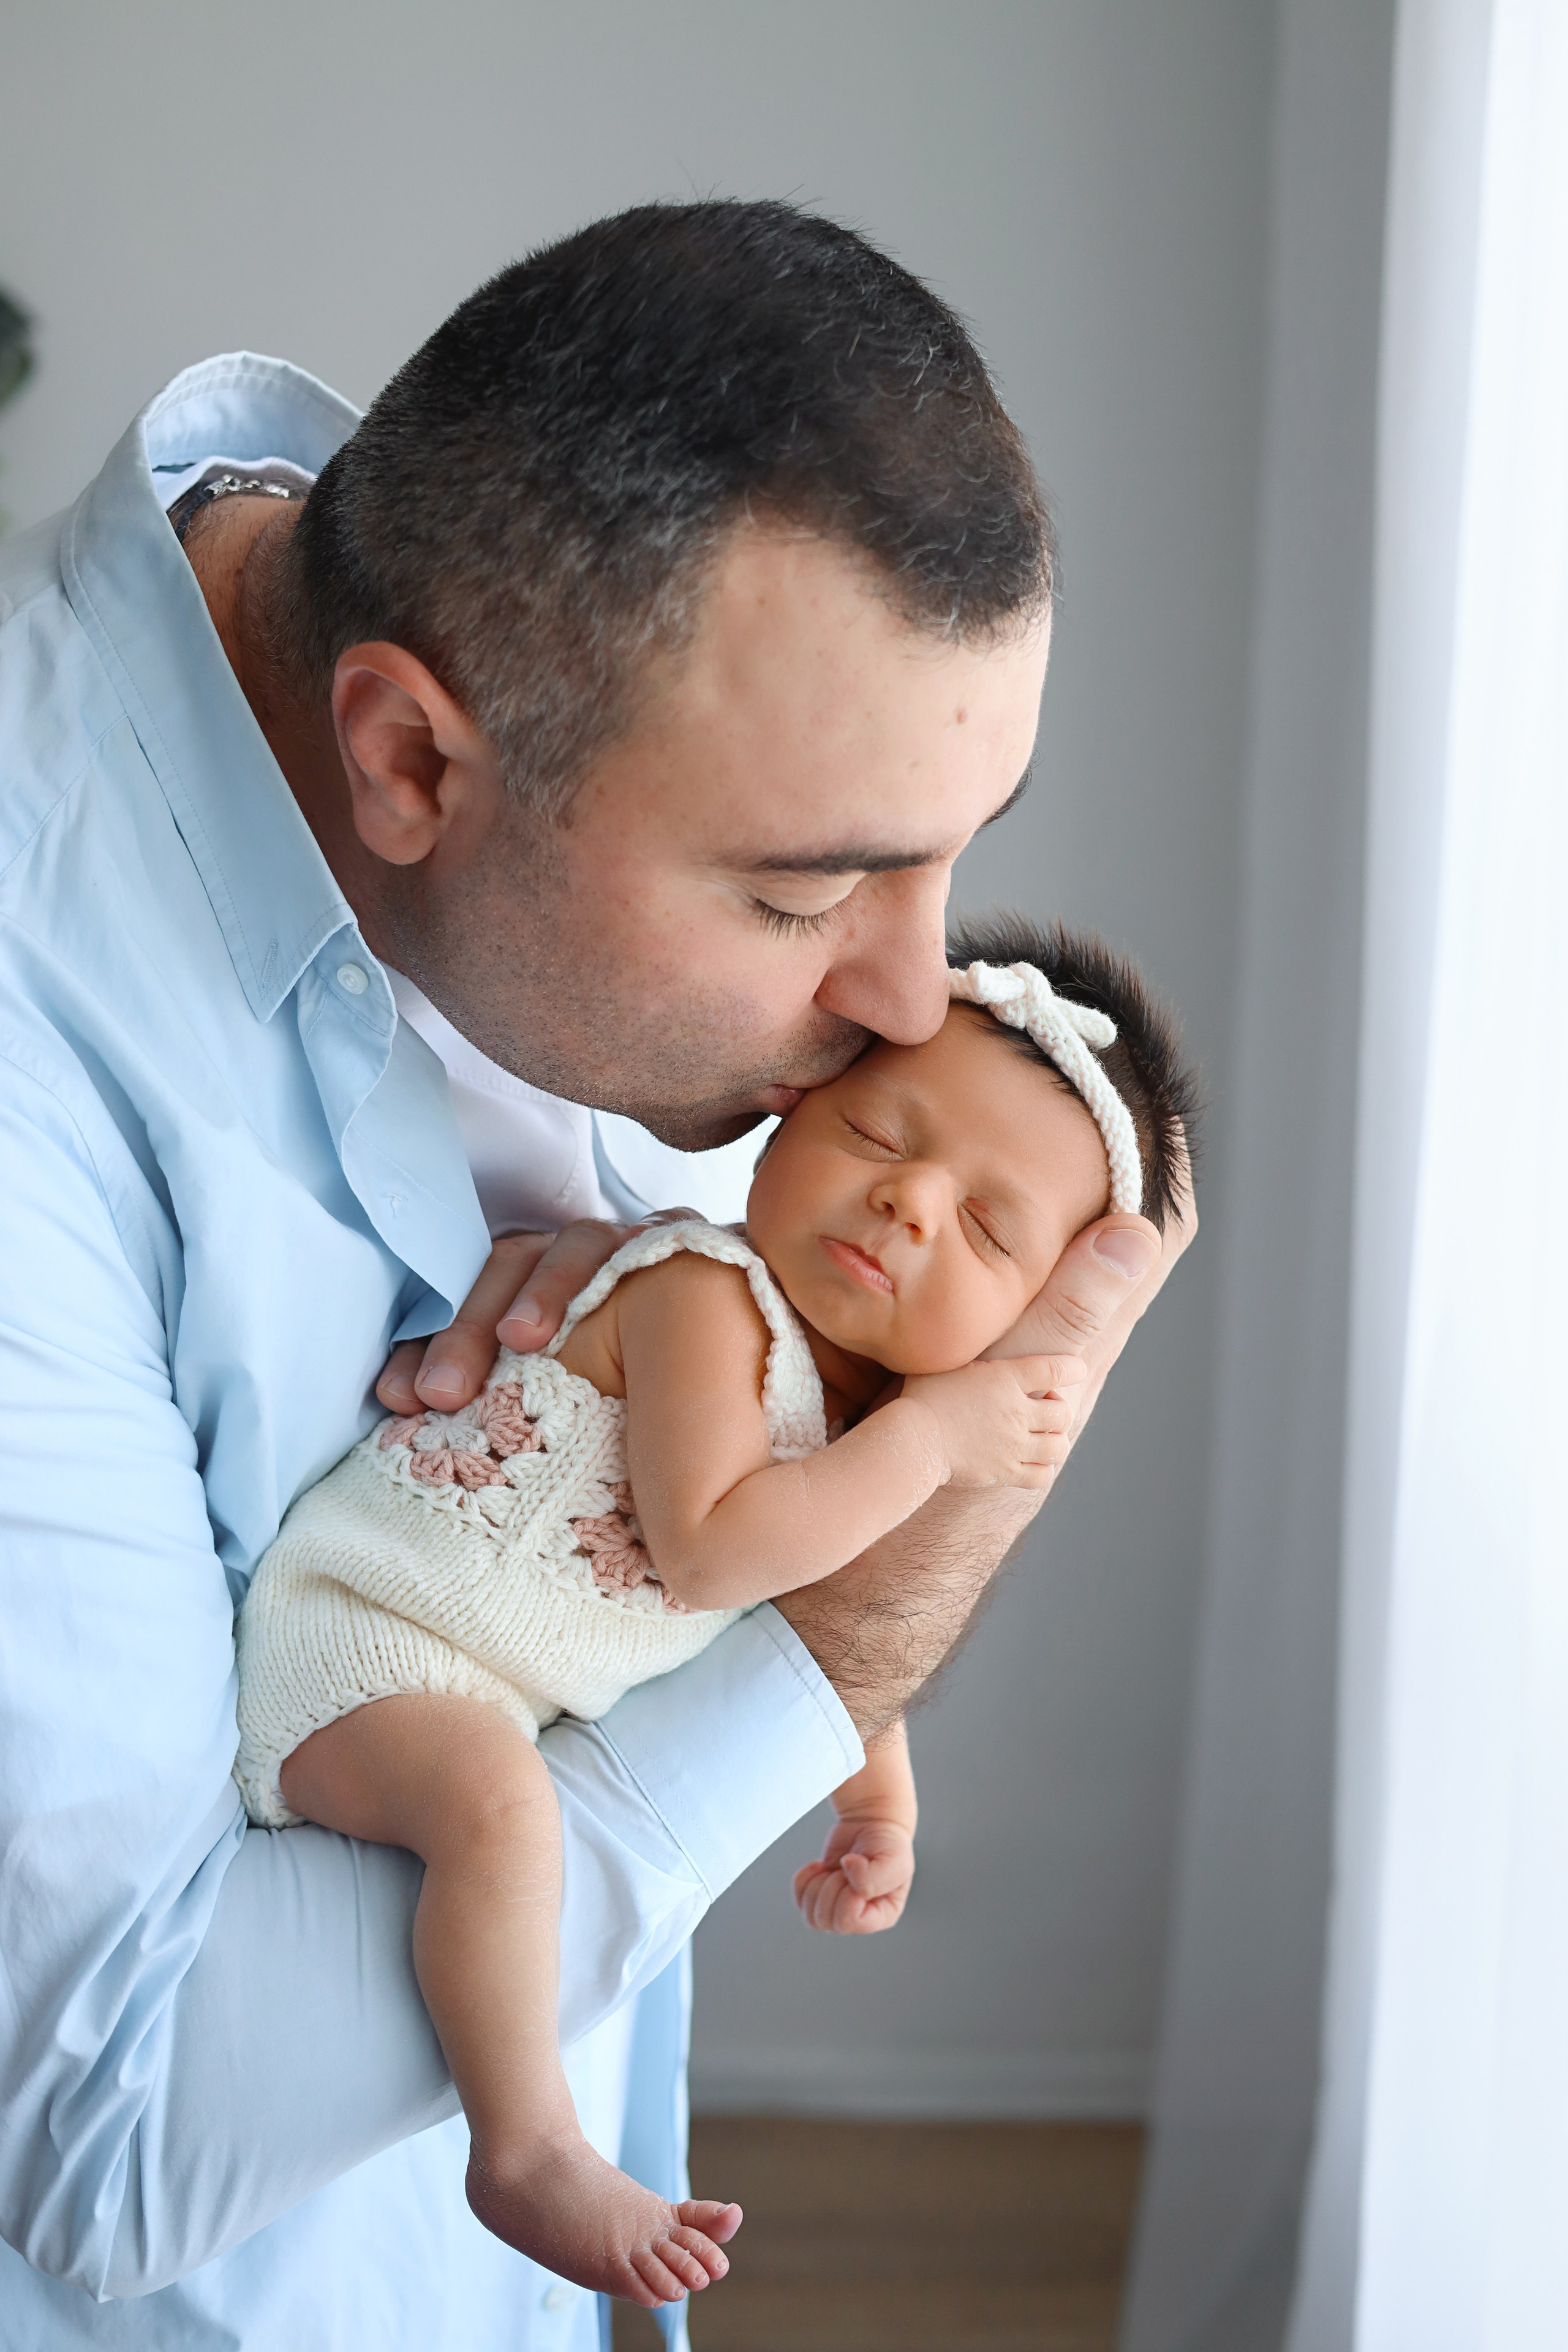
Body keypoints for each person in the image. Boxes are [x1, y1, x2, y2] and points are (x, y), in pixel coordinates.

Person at [0, 200, 1191, 2350]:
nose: (922, 1001)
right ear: (410, 764)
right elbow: (106, 2131)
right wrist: (853, 1629)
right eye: (815, 892)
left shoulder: (596, 756)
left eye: (958, 856)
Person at [233, 917, 1197, 2312]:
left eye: (984, 1227)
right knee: (504, 1812)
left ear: (1030, 1318)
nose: (909, 1204)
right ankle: (526, 2151)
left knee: (510, 1813)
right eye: (877, 1137)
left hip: (473, 1683)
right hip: (368, 1638)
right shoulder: (702, 1291)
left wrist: (878, 1803)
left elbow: (809, 1626)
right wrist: (933, 1447)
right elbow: (711, 1558)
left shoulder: (840, 1427)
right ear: (789, 1116)